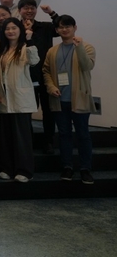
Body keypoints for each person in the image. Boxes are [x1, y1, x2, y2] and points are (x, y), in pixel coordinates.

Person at [43, 15, 97, 184]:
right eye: (61, 27)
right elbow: (46, 71)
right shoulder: (52, 51)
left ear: (75, 28)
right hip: (59, 100)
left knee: (83, 135)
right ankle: (67, 167)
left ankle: (85, 168)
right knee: (64, 135)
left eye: (68, 26)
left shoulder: (87, 47)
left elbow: (87, 66)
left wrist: (79, 47)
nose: (64, 29)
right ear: (57, 30)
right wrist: (51, 87)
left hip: (79, 99)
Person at [0, 18, 39, 183]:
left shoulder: (25, 47)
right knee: (6, 137)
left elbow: (34, 61)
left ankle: (25, 170)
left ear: (20, 30)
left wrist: (30, 40)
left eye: (14, 28)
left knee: (22, 138)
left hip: (21, 98)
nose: (10, 31)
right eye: (7, 29)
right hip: (3, 98)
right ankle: (7, 168)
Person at [18, 0, 60, 154]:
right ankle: (27, 141)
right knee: (26, 110)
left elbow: (60, 27)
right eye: (25, 8)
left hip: (45, 74)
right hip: (24, 75)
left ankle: (49, 141)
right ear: (19, 11)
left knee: (49, 110)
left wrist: (52, 13)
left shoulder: (45, 27)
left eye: (32, 8)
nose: (29, 11)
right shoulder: (15, 28)